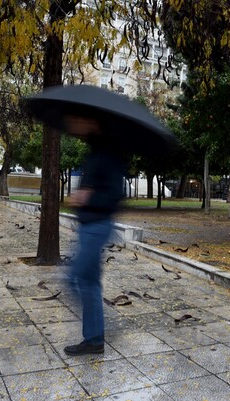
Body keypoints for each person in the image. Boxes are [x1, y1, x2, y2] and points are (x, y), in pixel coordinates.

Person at [63, 114, 125, 356]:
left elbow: (116, 196)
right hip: (89, 224)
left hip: (98, 225)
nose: (74, 123)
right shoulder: (94, 151)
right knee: (89, 283)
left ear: (94, 121)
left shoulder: (108, 153)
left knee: (73, 279)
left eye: (79, 119)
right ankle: (94, 339)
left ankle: (105, 324)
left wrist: (88, 198)